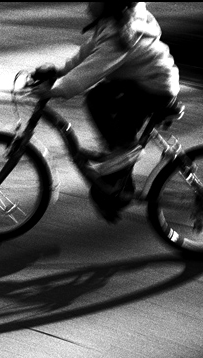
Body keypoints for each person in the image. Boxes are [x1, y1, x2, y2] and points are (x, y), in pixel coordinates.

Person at [32, 2, 180, 223]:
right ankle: (119, 165)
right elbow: (89, 53)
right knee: (99, 99)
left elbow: (91, 70)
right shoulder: (114, 22)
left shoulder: (120, 33)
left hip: (152, 89)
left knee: (106, 107)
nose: (87, 8)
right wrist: (59, 71)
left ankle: (122, 158)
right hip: (142, 82)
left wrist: (56, 90)